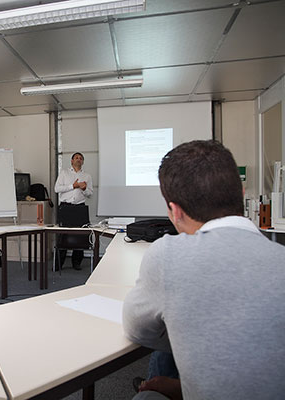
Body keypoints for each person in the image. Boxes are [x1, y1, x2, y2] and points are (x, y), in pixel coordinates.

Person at [122, 140, 285, 399]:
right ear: (242, 193)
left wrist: (192, 333)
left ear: (174, 212)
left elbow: (137, 331)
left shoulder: (167, 255)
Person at [54, 152, 93, 270]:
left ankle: (77, 263)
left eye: (81, 158)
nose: (78, 160)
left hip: (80, 207)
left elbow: (90, 194)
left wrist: (85, 189)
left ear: (83, 162)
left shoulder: (87, 176)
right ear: (71, 161)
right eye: (76, 158)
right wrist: (73, 186)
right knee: (62, 235)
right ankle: (58, 264)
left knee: (80, 236)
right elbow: (57, 189)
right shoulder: (64, 173)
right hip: (65, 207)